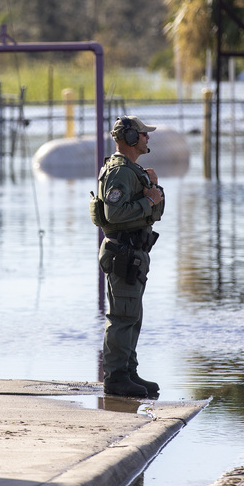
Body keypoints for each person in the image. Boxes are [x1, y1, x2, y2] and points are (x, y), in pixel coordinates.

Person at [95, 115, 165, 398]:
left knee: (132, 316)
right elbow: (114, 213)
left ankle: (128, 372)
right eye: (143, 134)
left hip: (134, 252)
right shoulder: (120, 172)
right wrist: (148, 200)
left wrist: (153, 191)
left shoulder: (133, 170)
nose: (148, 137)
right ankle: (115, 378)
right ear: (130, 138)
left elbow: (155, 212)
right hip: (123, 252)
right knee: (122, 316)